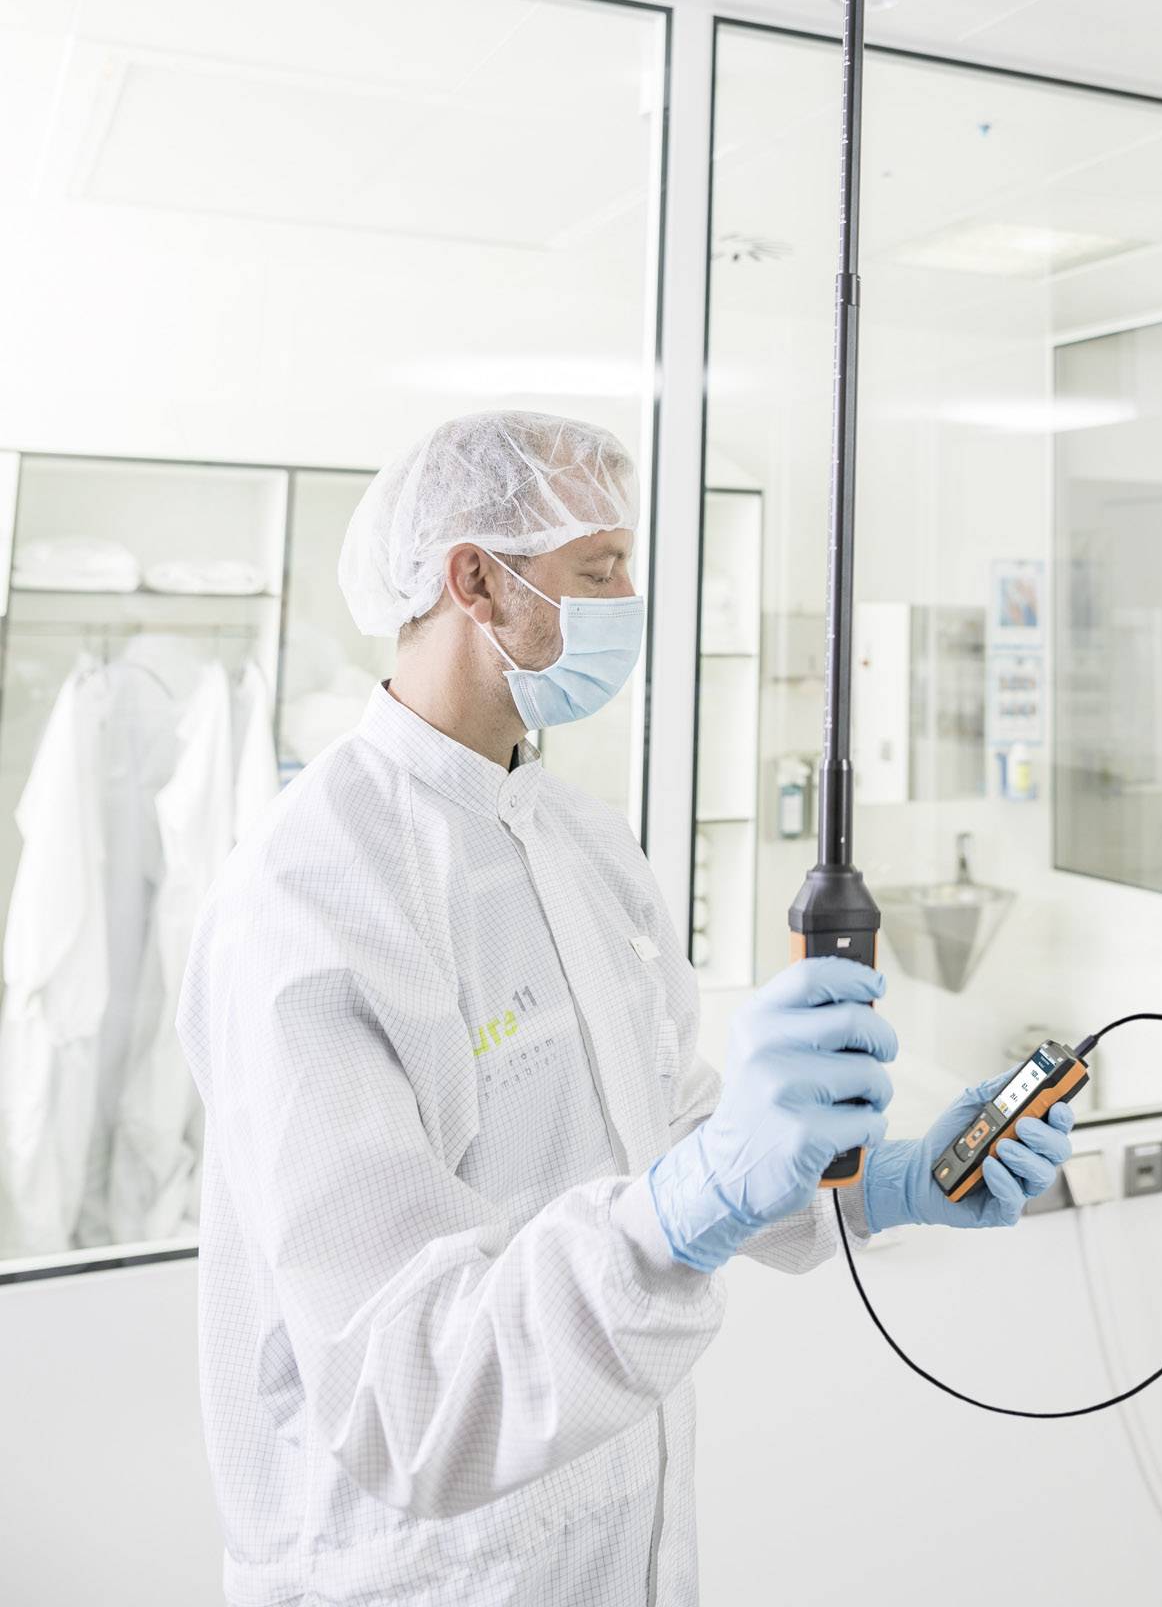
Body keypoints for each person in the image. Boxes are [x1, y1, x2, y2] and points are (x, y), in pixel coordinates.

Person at [179, 410, 1073, 1607]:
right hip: (422, 1573)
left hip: (624, 1542)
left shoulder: (577, 841)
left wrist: (890, 1180)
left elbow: (673, 1130)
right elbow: (409, 1392)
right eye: (599, 569)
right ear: (475, 583)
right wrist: (702, 1197)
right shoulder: (313, 899)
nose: (631, 599)